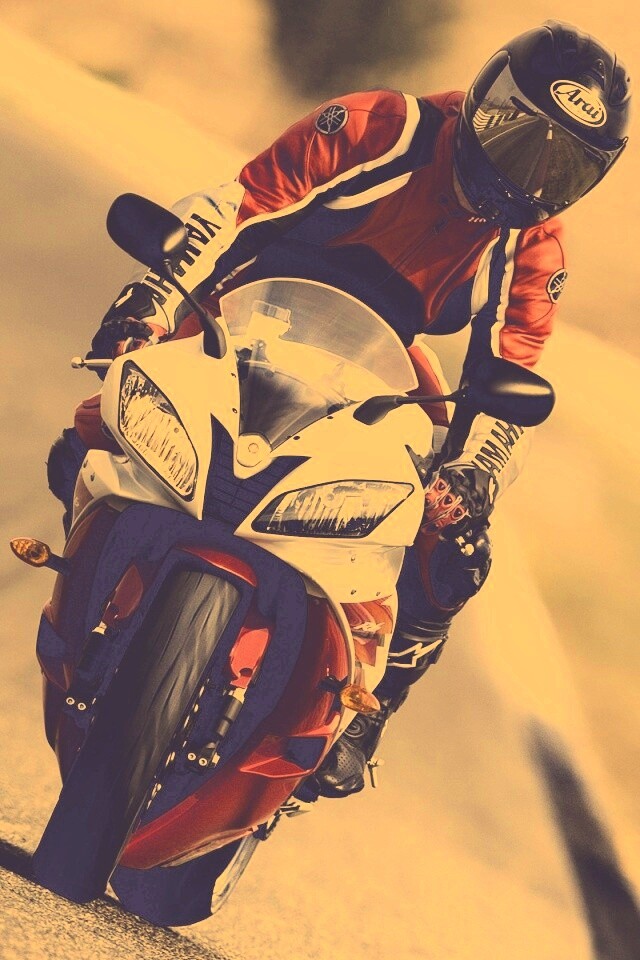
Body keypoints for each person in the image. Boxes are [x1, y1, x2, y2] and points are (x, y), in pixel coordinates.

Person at [48, 20, 631, 798]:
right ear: (484, 97)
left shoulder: (536, 247)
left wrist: (472, 473)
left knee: (458, 546)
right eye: (517, 133)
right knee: (95, 426)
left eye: (562, 164)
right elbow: (237, 205)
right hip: (248, 311)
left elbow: (511, 368)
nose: (528, 171)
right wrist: (150, 299)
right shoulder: (379, 127)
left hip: (382, 364)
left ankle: (366, 710)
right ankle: (90, 580)